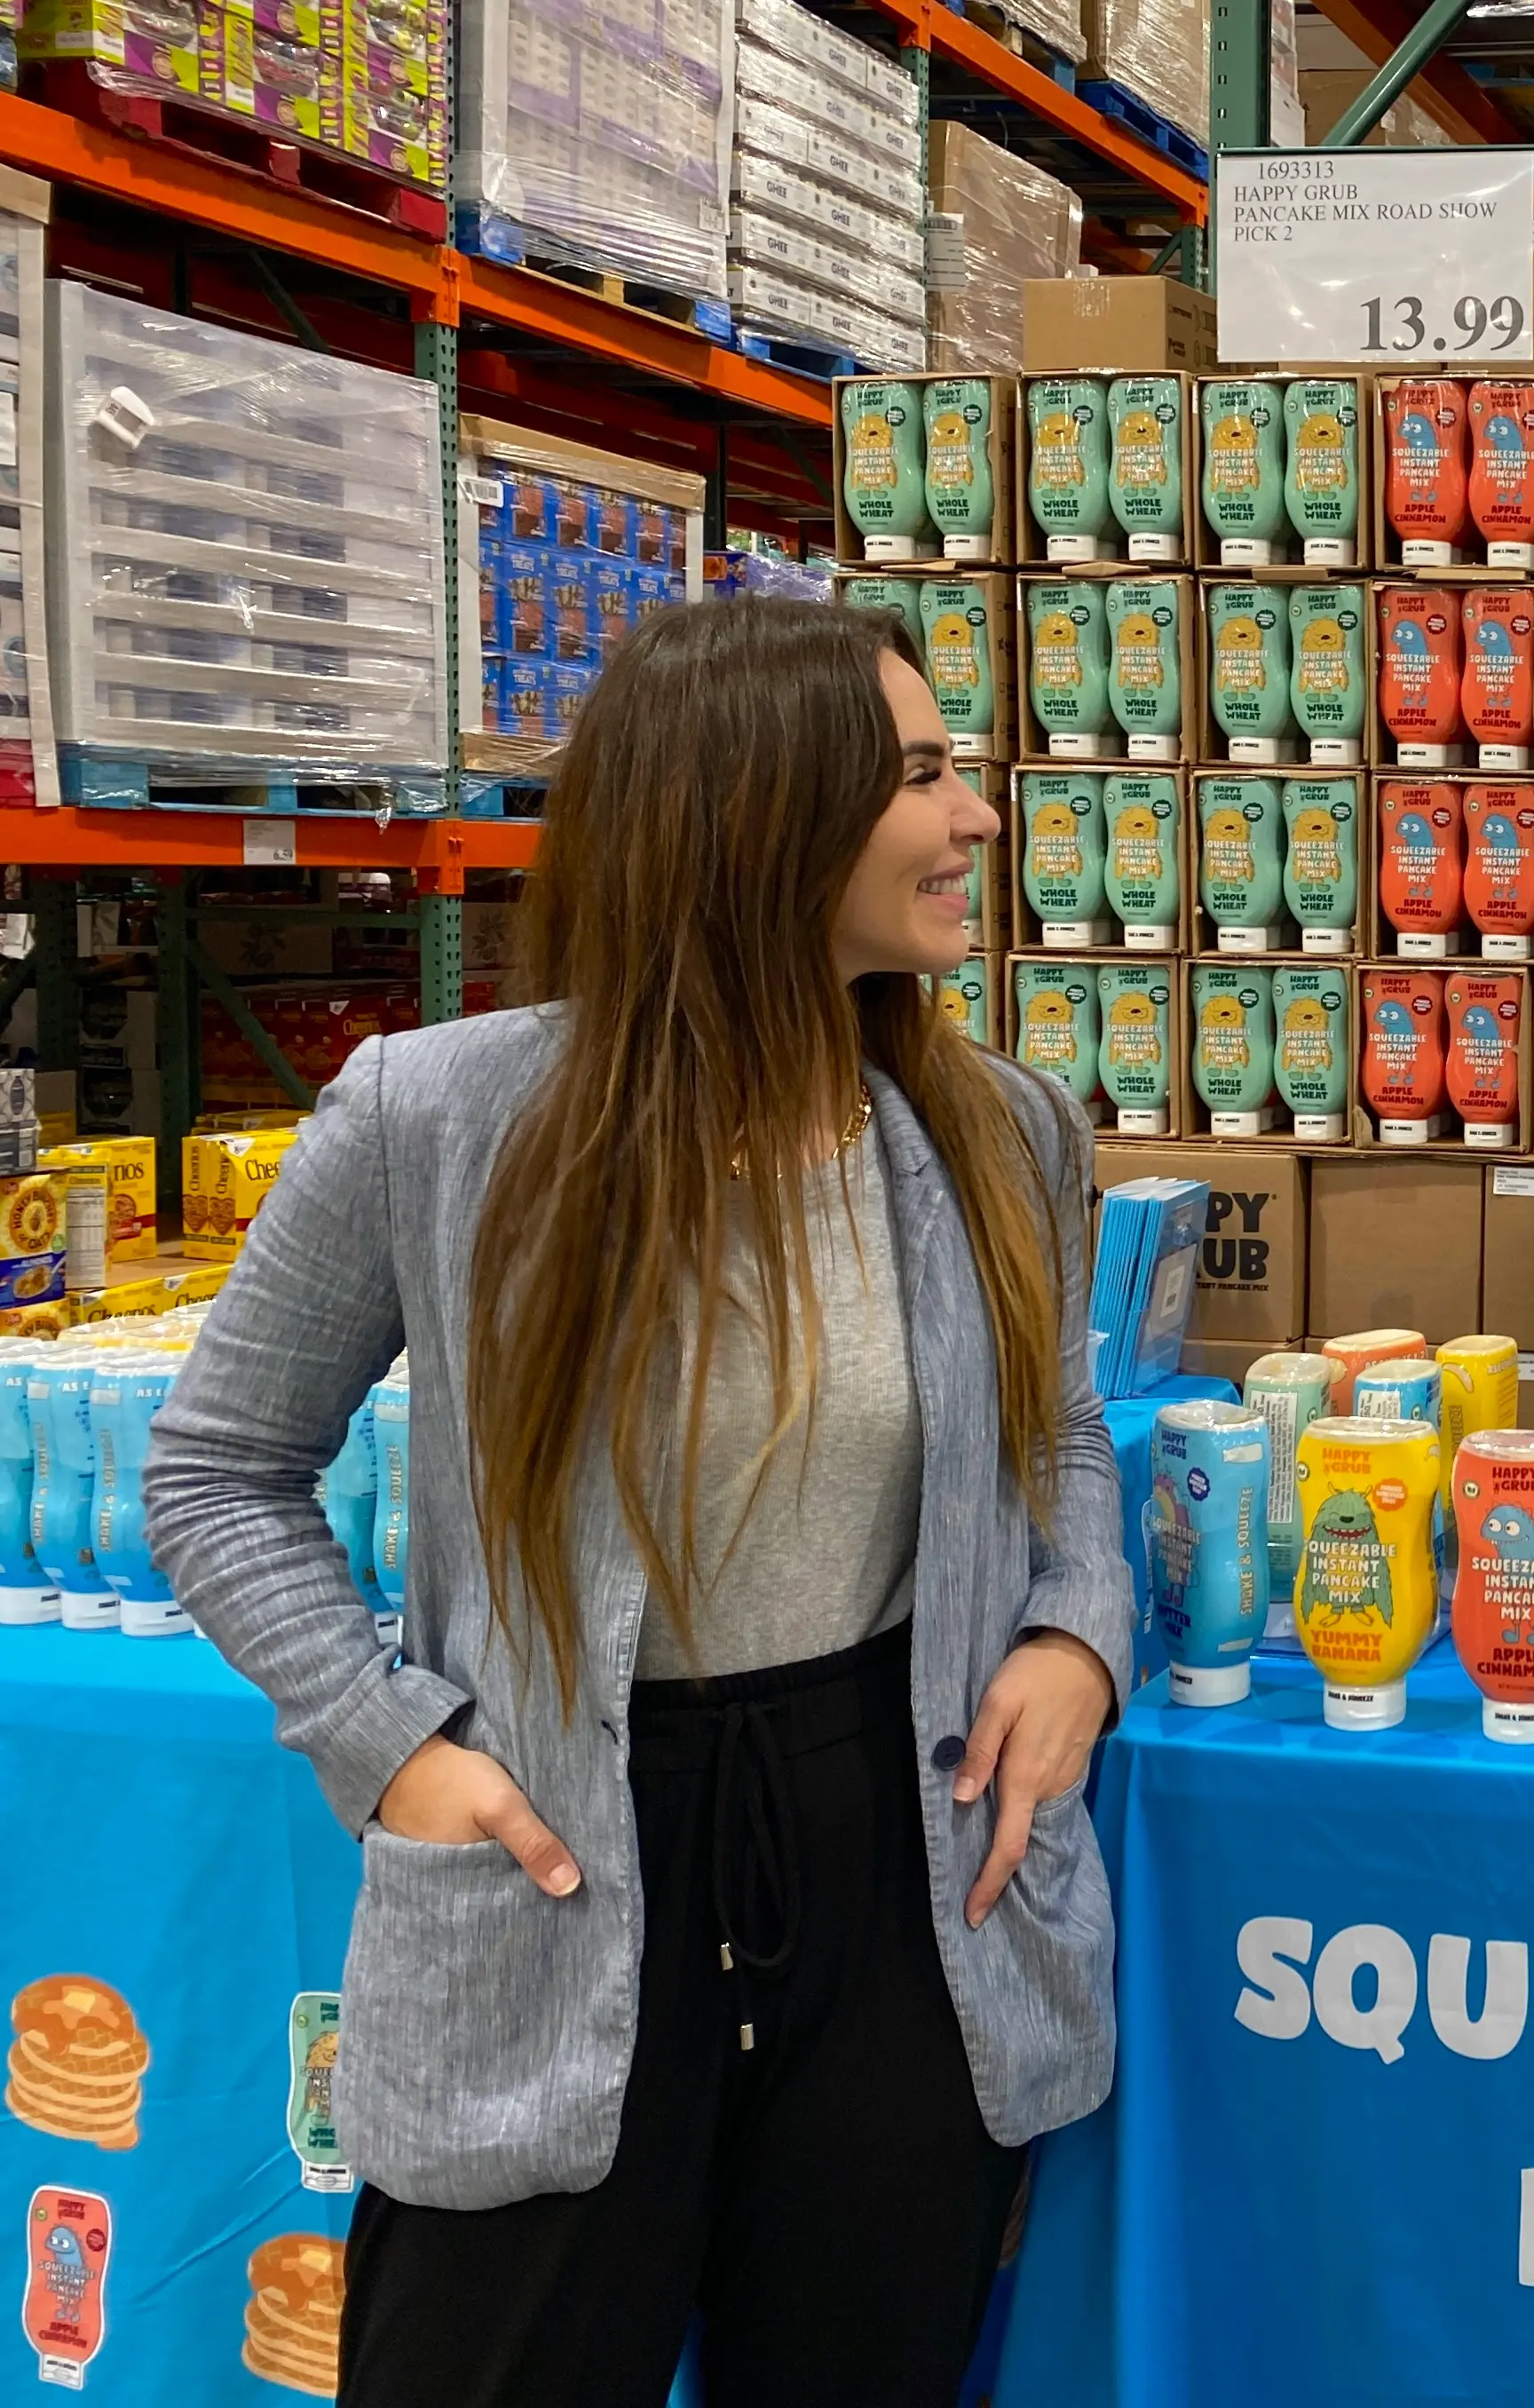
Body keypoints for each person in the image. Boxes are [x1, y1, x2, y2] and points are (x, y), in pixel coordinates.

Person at [144, 600, 1130, 2406]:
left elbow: (1058, 1434)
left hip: (900, 1855)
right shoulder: (437, 1118)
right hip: (553, 1842)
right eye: (921, 775)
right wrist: (390, 1744)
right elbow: (216, 1471)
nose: (978, 816)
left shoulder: (1000, 1132)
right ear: (754, 812)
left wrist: (1077, 1634)